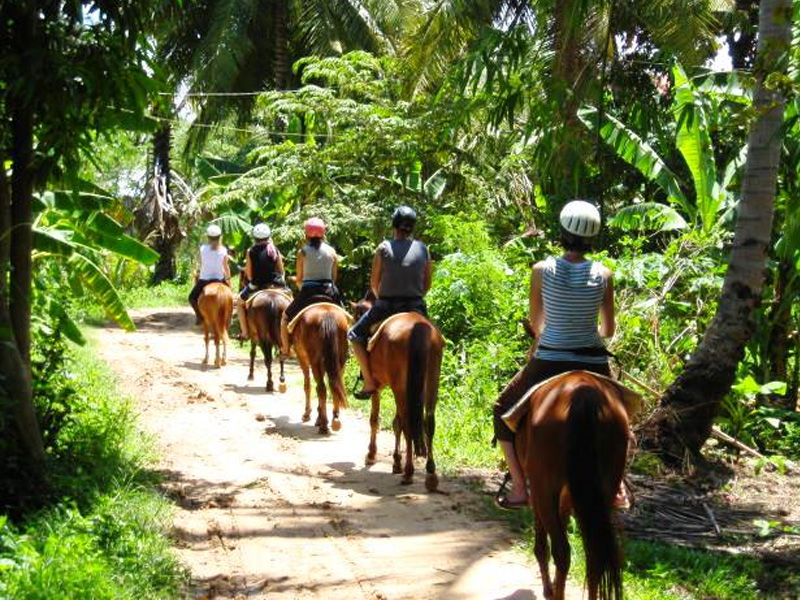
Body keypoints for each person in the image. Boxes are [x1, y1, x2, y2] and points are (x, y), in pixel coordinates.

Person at [493, 199, 616, 510]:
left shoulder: (541, 270)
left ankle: (520, 487)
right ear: (592, 238)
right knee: (622, 421)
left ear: (563, 233)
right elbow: (609, 329)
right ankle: (617, 488)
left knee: (501, 409)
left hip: (549, 359)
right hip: (594, 362)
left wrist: (553, 333)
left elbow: (536, 323)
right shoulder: (604, 274)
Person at [348, 206, 432, 399]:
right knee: (435, 341)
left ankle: (369, 382)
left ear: (394, 225)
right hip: (416, 306)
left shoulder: (383, 248)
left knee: (354, 335)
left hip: (386, 305)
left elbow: (374, 284)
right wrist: (414, 296)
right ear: (412, 228)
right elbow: (427, 284)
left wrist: (385, 295)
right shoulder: (423, 249)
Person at [280, 217, 342, 355]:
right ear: (323, 233)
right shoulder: (332, 251)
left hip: (308, 291)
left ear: (306, 234)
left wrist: (298, 282)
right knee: (346, 319)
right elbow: (334, 277)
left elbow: (300, 278)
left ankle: (285, 349)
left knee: (285, 318)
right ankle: (347, 345)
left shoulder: (302, 252)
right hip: (329, 290)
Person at [237, 223, 288, 340]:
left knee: (239, 302)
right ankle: (290, 333)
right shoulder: (274, 249)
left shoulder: (251, 251)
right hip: (276, 284)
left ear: (255, 238)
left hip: (257, 285)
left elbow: (249, 275)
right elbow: (281, 270)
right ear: (268, 236)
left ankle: (244, 332)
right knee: (291, 302)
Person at [189, 224, 231, 325]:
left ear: (208, 237)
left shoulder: (202, 249)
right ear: (220, 237)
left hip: (204, 280)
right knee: (230, 298)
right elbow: (225, 266)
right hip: (219, 279)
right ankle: (229, 319)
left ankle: (199, 317)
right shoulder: (224, 250)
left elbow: (200, 262)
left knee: (192, 298)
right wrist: (228, 280)